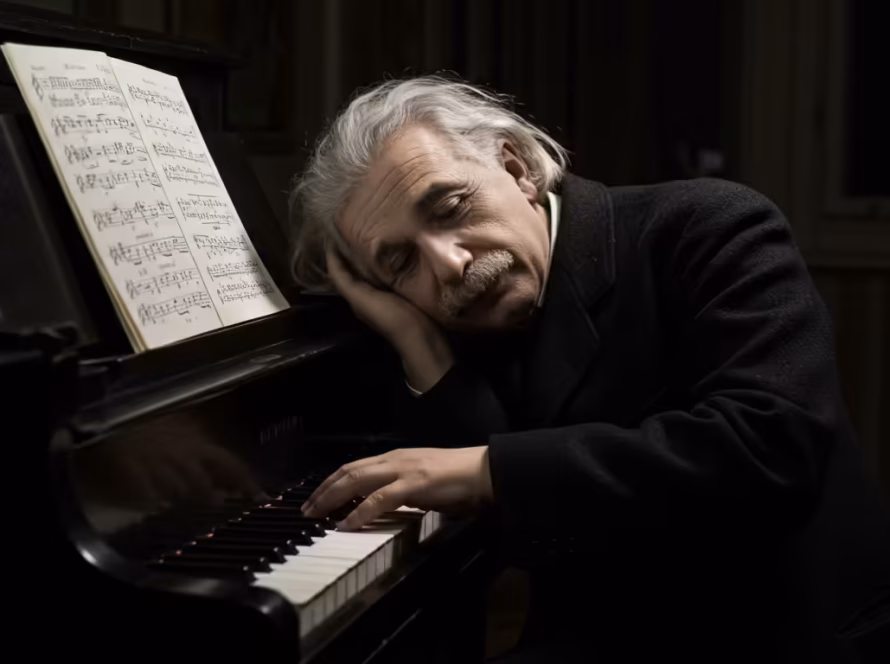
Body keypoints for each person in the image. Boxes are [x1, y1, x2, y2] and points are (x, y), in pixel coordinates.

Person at [287, 77, 890, 662]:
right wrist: (415, 337)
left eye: (449, 208)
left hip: (775, 633)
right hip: (611, 635)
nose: (446, 264)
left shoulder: (712, 224)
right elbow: (488, 534)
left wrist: (488, 469)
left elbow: (767, 449)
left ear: (518, 167)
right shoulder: (454, 315)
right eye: (400, 261)